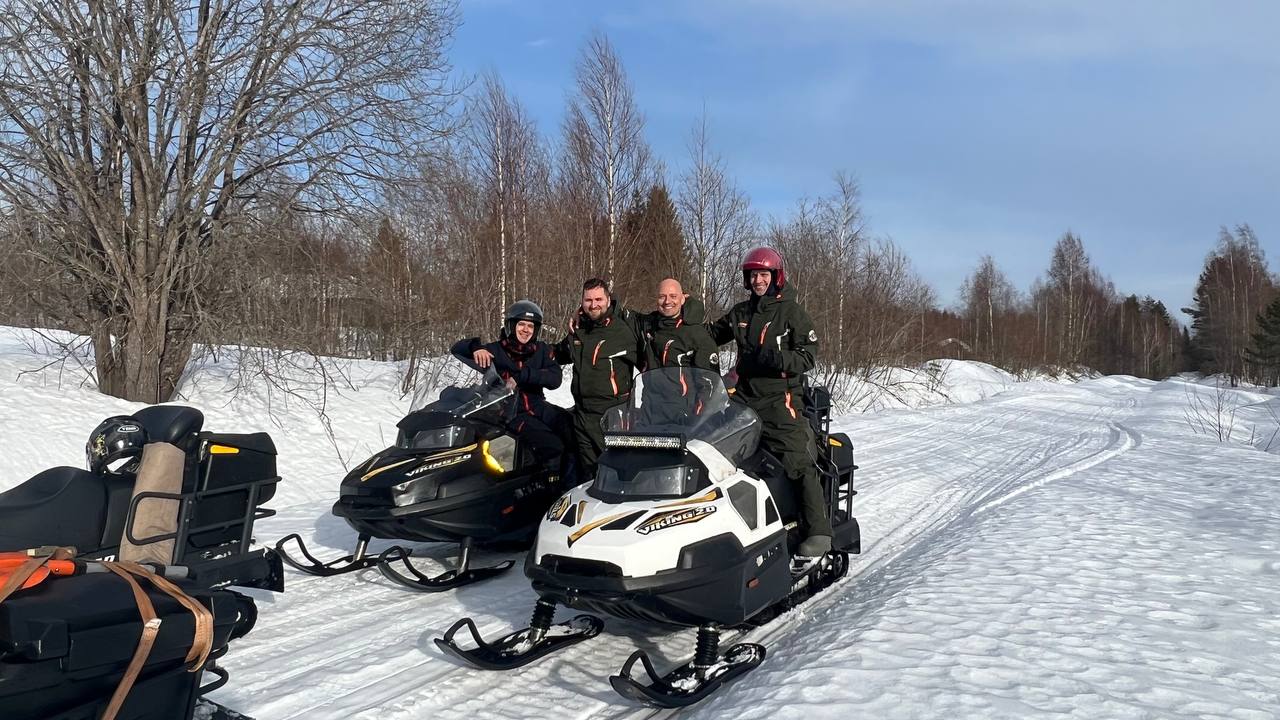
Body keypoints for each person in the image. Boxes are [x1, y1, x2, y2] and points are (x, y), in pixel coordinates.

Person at [708, 248, 831, 557]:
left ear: (776, 277)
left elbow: (808, 356)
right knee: (717, 454)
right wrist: (683, 316)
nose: (758, 280)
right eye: (753, 275)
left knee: (797, 461)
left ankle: (818, 531)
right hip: (744, 398)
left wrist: (775, 358)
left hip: (781, 399)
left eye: (764, 274)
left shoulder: (791, 312)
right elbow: (710, 334)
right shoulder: (741, 313)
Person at [451, 300, 567, 463]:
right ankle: (550, 477)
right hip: (509, 413)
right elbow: (457, 349)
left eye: (531, 326)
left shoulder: (541, 350)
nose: (526, 330)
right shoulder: (495, 350)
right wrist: (475, 347)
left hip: (538, 406)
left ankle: (579, 476)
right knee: (551, 445)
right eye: (521, 324)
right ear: (511, 326)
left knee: (572, 428)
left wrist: (522, 376)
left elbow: (555, 378)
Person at [553, 278, 642, 477]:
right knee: (589, 475)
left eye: (598, 299)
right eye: (588, 300)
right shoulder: (579, 330)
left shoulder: (623, 330)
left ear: (608, 300)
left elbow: (648, 363)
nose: (593, 305)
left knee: (617, 473)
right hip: (582, 415)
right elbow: (558, 353)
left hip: (612, 415)